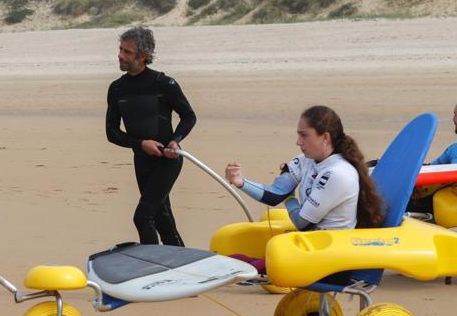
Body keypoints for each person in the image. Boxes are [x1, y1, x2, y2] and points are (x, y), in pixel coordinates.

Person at [105, 25, 197, 246]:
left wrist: (176, 140)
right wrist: (140, 144)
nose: (120, 55)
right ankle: (179, 264)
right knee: (162, 219)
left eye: (127, 52)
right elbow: (112, 133)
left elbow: (188, 116)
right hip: (142, 161)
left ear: (143, 56)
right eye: (120, 50)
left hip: (167, 160)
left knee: (143, 216)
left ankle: (151, 267)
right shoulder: (117, 88)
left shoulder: (164, 84)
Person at [224, 105, 384, 231]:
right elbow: (274, 195)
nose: (298, 142)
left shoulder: (338, 173)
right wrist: (240, 182)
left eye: (304, 135)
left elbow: (302, 223)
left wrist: (289, 198)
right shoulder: (306, 160)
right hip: (310, 246)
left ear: (325, 137)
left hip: (332, 257)